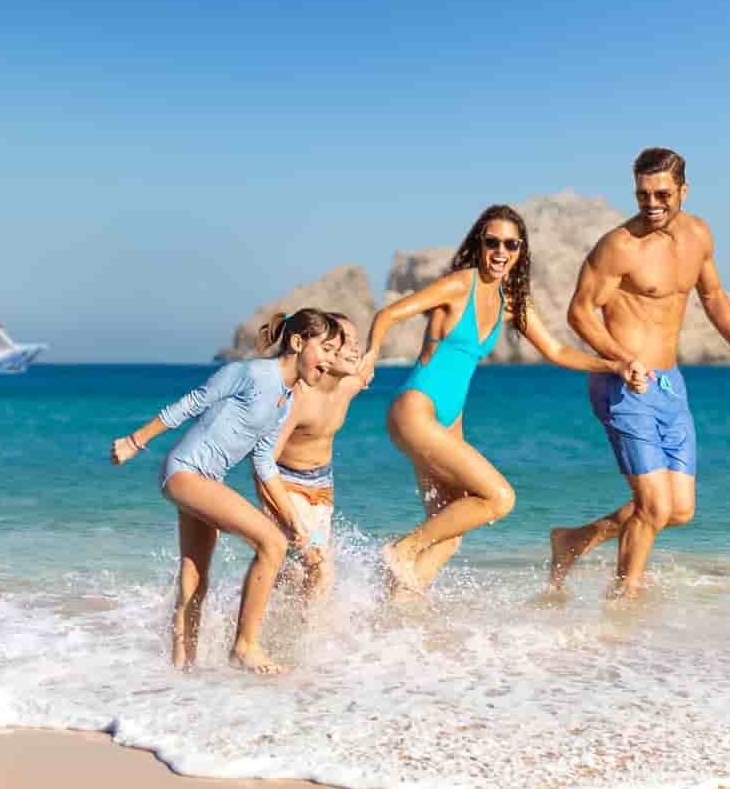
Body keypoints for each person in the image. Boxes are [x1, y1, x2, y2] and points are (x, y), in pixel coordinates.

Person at [359, 205, 649, 598]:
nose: (500, 251)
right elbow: (389, 313)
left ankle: (395, 610)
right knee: (499, 498)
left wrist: (616, 364)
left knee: (449, 532)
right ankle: (401, 550)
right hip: (415, 410)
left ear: (520, 251)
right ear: (479, 244)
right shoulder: (460, 284)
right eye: (492, 242)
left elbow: (558, 352)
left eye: (510, 244)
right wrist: (371, 356)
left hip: (446, 422)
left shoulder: (512, 302)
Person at [547, 147, 730, 599]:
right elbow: (580, 313)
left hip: (670, 383)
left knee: (678, 510)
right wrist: (621, 359)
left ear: (683, 191)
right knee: (653, 506)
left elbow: (714, 296)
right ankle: (624, 601)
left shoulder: (698, 236)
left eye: (662, 194)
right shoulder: (619, 247)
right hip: (623, 386)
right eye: (643, 194)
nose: (651, 204)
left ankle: (573, 540)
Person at [112, 309, 341, 673]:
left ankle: (180, 670)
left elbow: (264, 464)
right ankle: (245, 647)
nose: (330, 361)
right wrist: (134, 441)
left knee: (196, 578)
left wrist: (293, 520)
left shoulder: (284, 401)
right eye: (326, 349)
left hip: (206, 480)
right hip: (186, 472)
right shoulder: (250, 373)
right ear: (298, 343)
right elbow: (191, 403)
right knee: (272, 543)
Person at [258, 312, 369, 605]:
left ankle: (267, 626)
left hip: (322, 491)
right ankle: (313, 642)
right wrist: (286, 515)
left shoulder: (348, 385)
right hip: (287, 488)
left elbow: (369, 363)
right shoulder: (299, 397)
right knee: (321, 567)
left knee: (295, 573)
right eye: (346, 342)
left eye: (357, 342)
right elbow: (264, 461)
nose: (355, 348)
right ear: (325, 351)